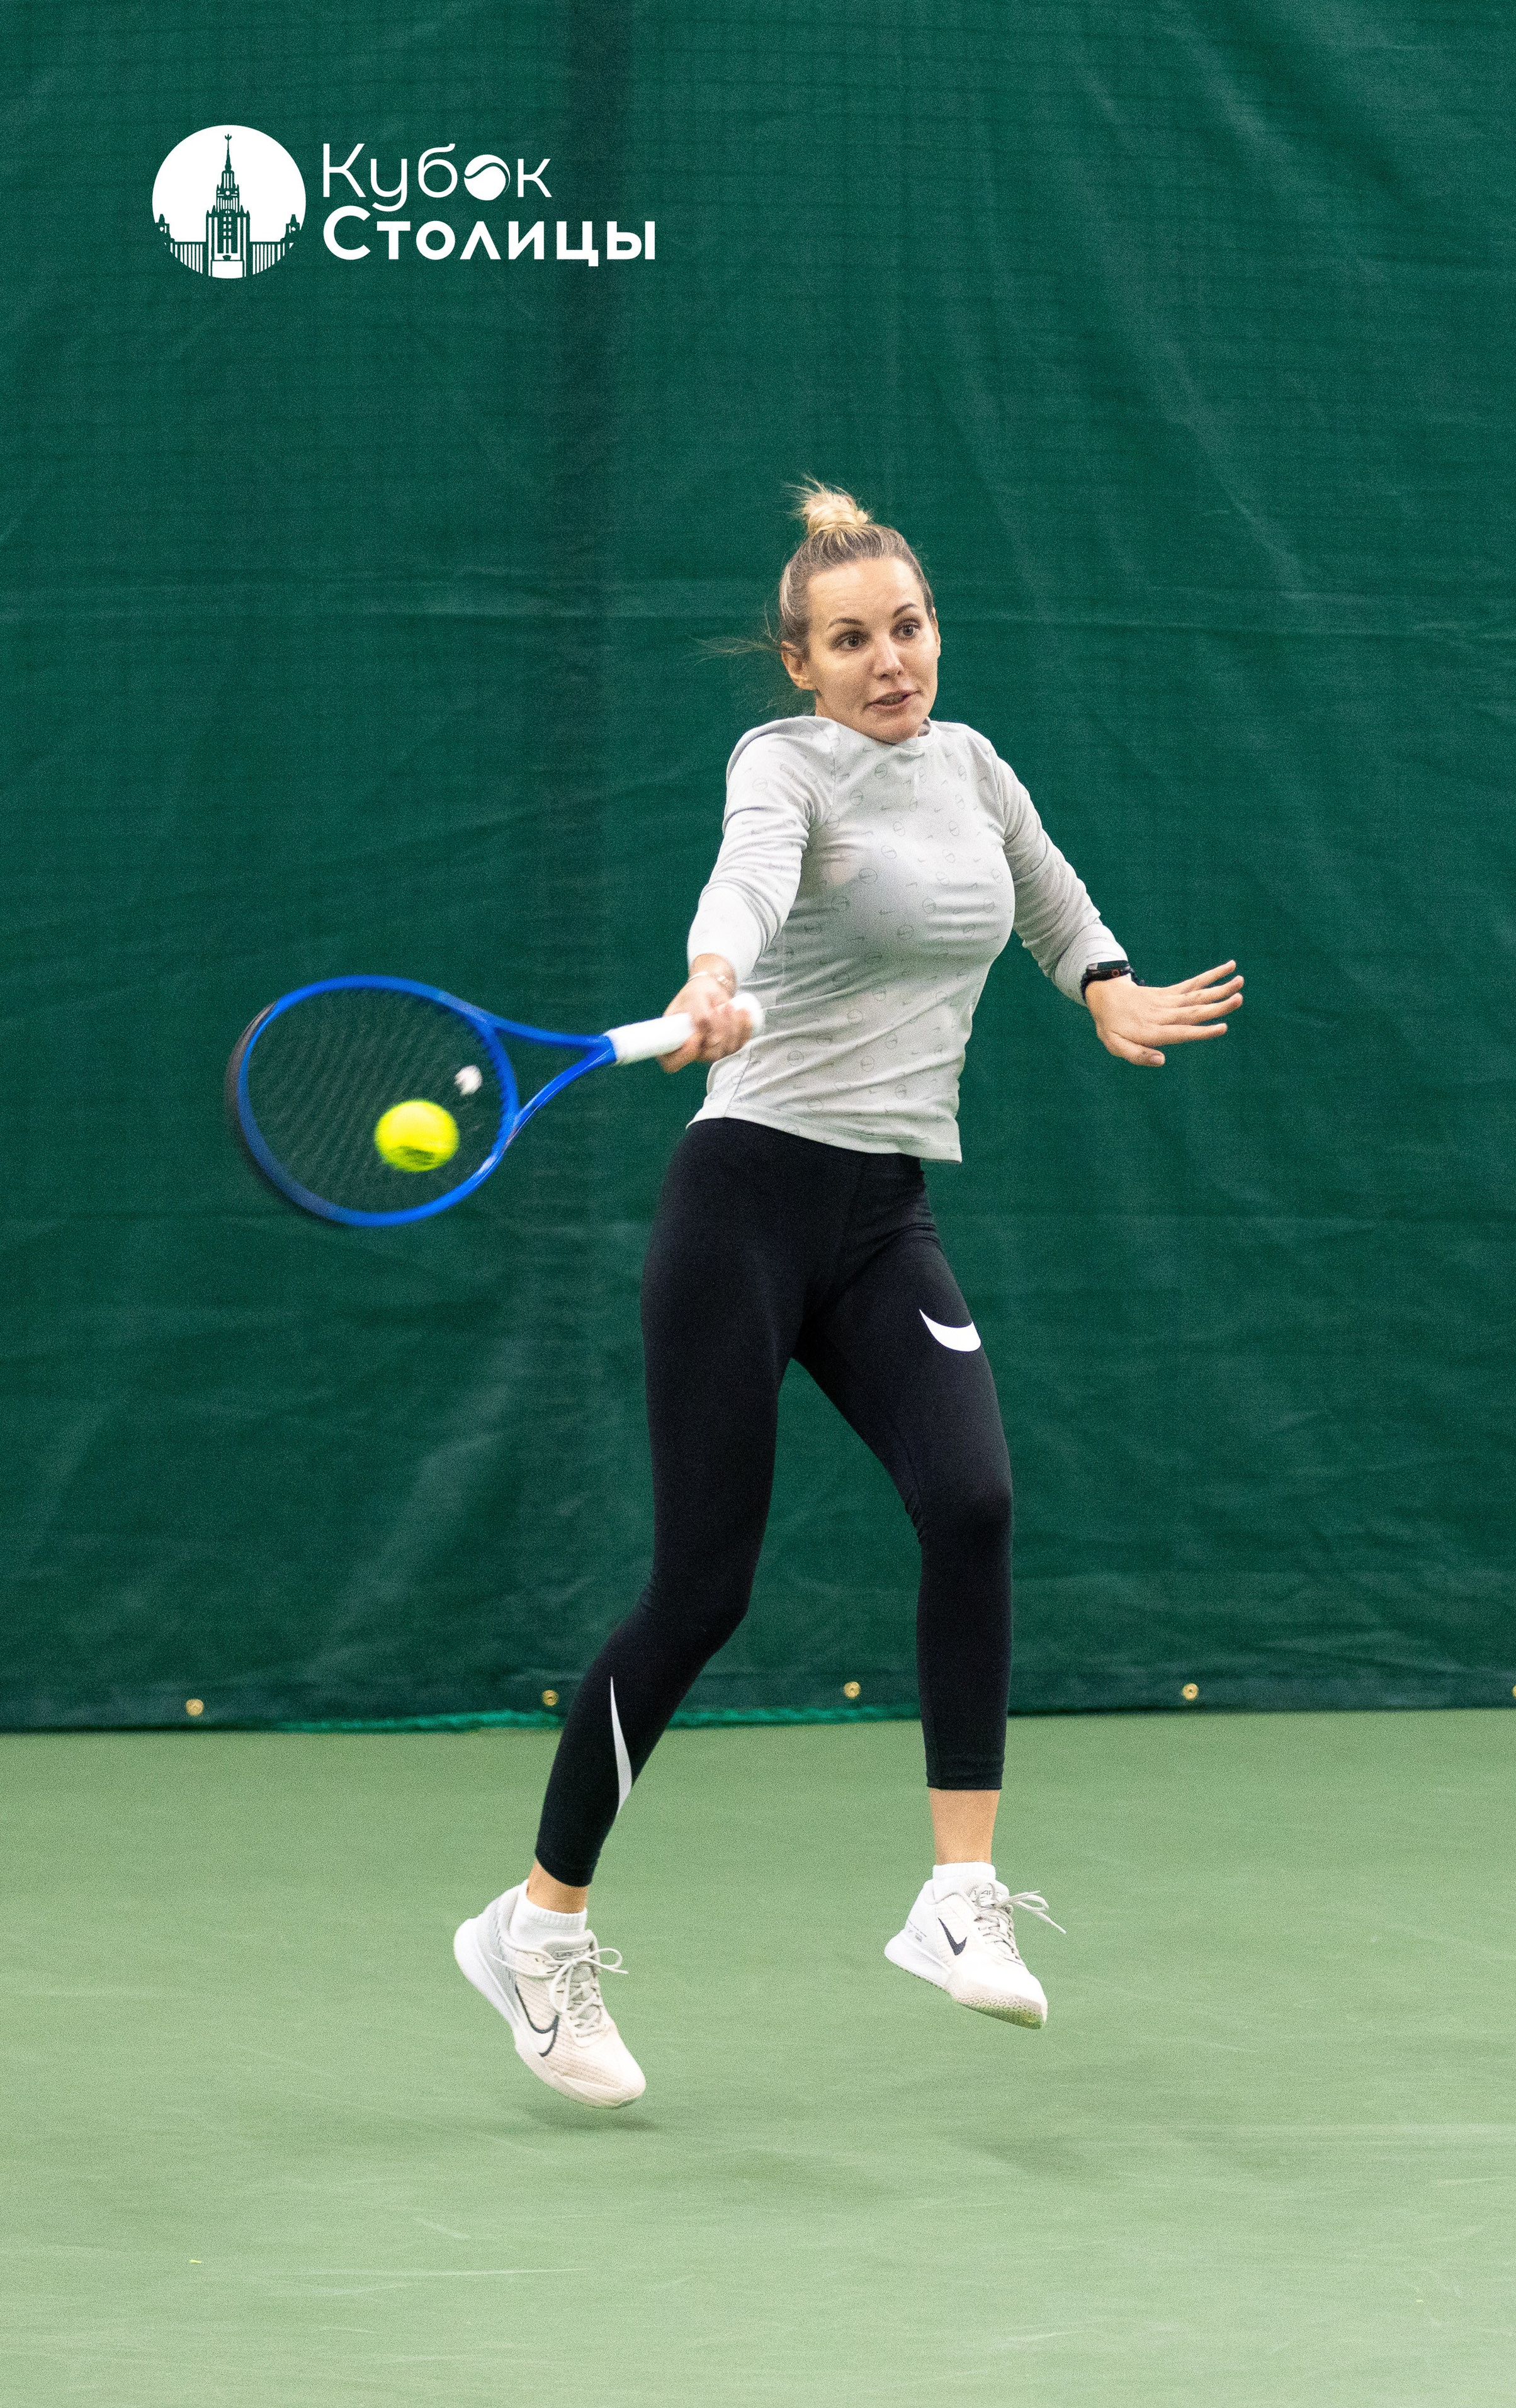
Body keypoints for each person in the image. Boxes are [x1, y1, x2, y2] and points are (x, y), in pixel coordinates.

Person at [455, 485, 1242, 2106]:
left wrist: (1100, 983)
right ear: (799, 664)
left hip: (883, 1212)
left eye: (907, 626)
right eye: (851, 641)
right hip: (742, 1202)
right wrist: (712, 977)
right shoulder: (783, 765)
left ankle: (955, 1892)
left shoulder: (973, 766)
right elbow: (743, 885)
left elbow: (1042, 889)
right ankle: (535, 1926)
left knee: (973, 1499)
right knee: (701, 1591)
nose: (890, 661)